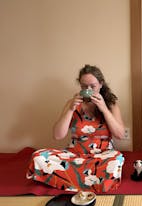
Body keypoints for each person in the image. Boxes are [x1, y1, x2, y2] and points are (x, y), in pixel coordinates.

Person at [26, 64, 125, 192]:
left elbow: (120, 135)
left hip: (102, 156)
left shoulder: (110, 104)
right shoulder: (72, 103)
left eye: (93, 86)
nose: (88, 89)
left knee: (116, 160)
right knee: (38, 156)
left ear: (101, 84)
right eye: (84, 86)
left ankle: (70, 181)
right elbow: (57, 135)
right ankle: (89, 182)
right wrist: (70, 109)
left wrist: (104, 109)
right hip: (74, 155)